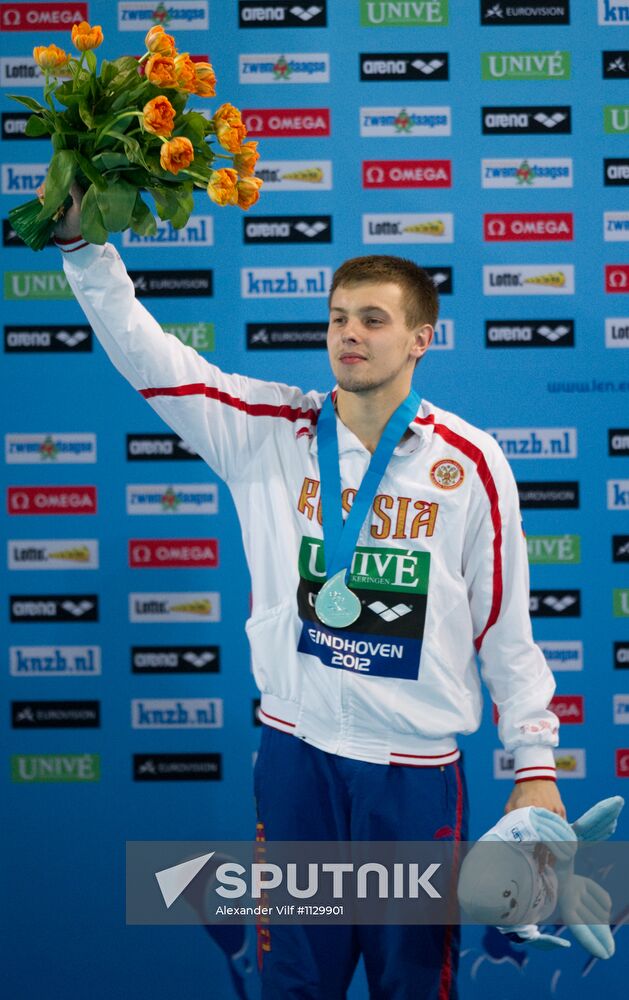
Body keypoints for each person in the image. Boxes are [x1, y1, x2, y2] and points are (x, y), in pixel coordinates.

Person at [50, 187, 565, 999]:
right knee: (294, 983)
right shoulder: (267, 429)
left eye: (372, 319)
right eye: (337, 318)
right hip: (298, 761)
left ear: (420, 339)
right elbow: (148, 355)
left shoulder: (468, 463)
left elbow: (504, 625)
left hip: (411, 776)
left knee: (412, 986)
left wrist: (534, 762)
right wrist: (84, 251)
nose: (348, 334)